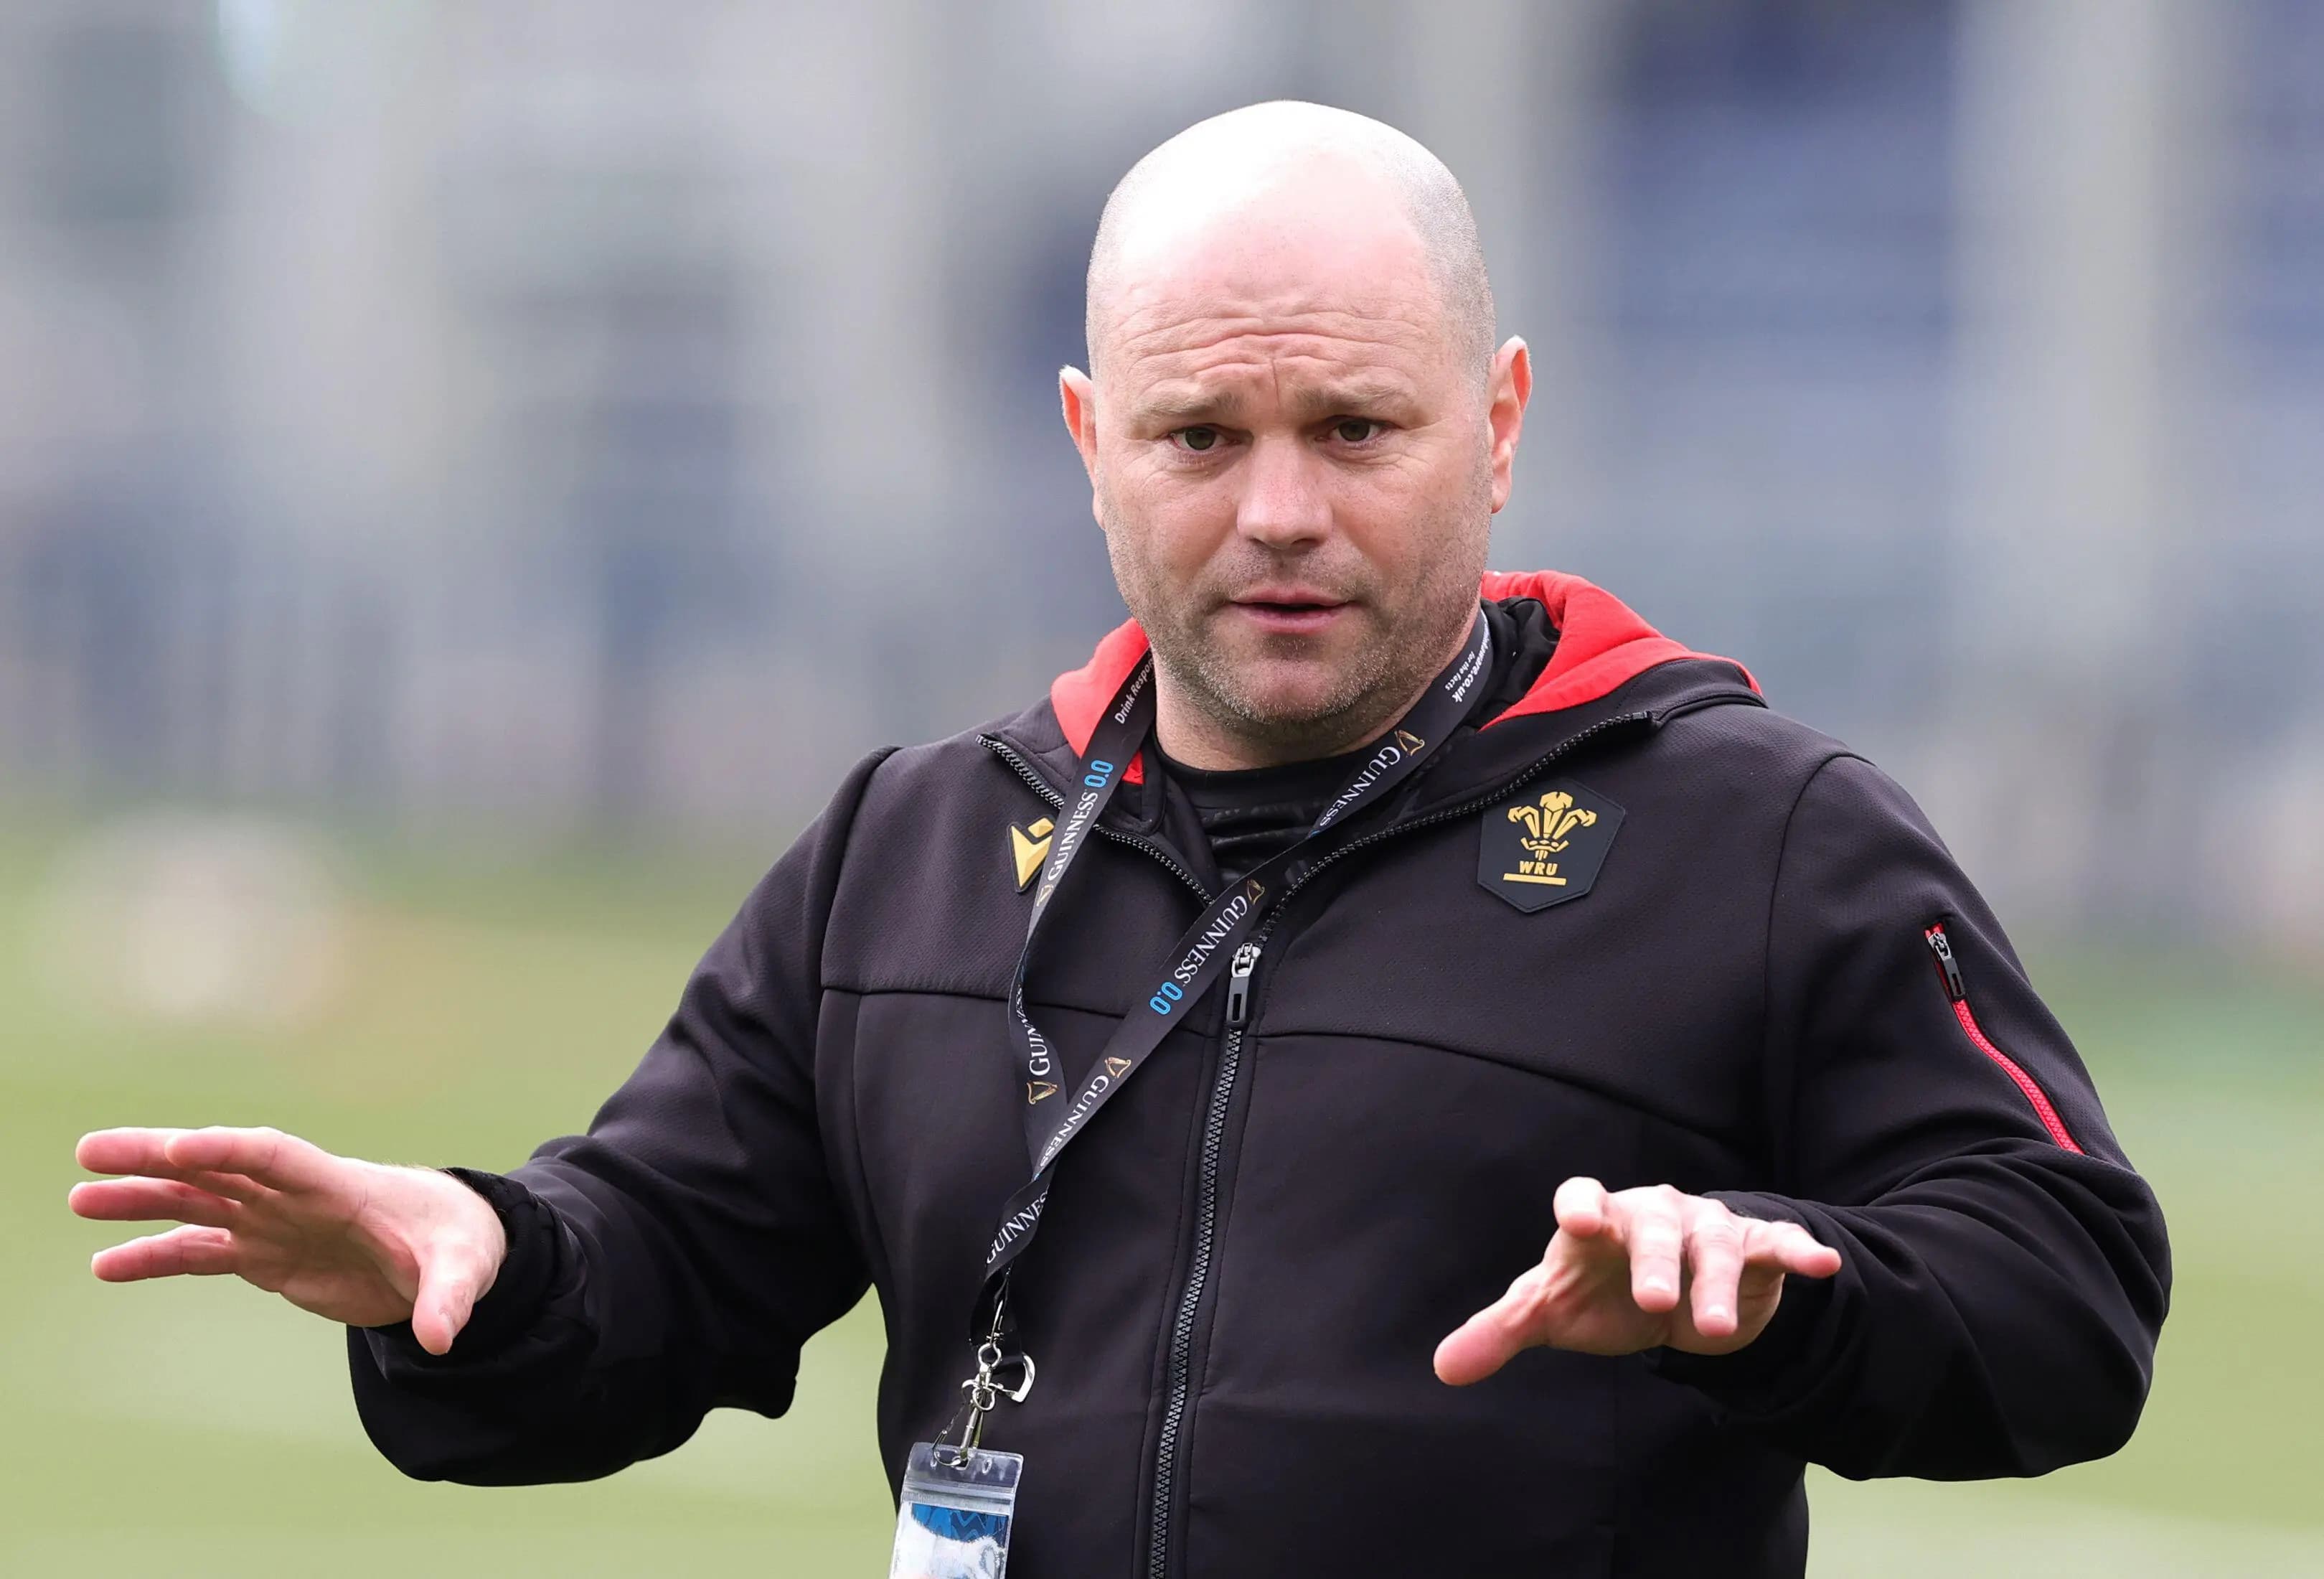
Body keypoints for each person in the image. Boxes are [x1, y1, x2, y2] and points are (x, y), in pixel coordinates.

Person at [69, 102, 2168, 1577]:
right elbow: (664, 1264)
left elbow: (2067, 1289)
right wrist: (477, 1262)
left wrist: (1791, 1297)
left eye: (1356, 428)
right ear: (1092, 441)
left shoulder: (1757, 831)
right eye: (1198, 436)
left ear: (1501, 421)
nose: (1279, 511)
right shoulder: (913, 846)